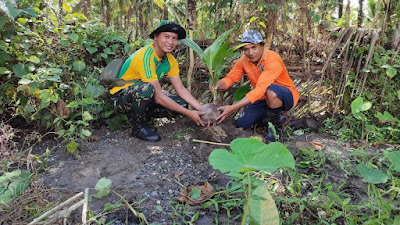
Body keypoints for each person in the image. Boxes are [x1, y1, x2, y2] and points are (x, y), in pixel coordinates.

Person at [110, 20, 204, 142]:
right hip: (122, 98)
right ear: (156, 37)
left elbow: (180, 89)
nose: (171, 42)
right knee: (147, 88)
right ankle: (138, 126)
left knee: (183, 104)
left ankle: (145, 116)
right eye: (166, 36)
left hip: (146, 97)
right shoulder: (146, 56)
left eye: (174, 38)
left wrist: (200, 108)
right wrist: (188, 113)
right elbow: (158, 97)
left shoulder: (170, 60)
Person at [211, 30, 299, 143]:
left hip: (286, 95)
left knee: (271, 91)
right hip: (262, 97)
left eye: (254, 47)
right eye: (246, 49)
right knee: (242, 123)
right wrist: (218, 84)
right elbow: (231, 78)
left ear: (262, 46)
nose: (250, 52)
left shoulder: (273, 59)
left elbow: (261, 88)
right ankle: (270, 119)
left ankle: (274, 128)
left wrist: (232, 107)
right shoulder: (243, 62)